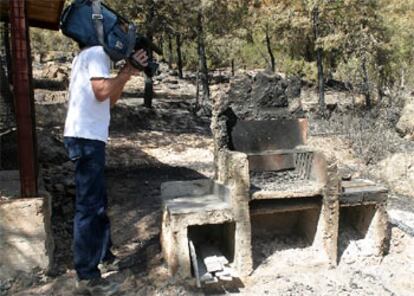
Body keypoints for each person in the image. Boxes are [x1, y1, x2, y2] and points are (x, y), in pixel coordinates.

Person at [63, 45, 148, 295]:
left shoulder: (91, 56)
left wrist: (126, 72)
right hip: (86, 138)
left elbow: (109, 100)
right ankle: (87, 276)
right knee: (89, 207)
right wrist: (126, 71)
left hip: (89, 137)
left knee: (98, 202)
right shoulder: (98, 53)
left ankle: (103, 256)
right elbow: (102, 92)